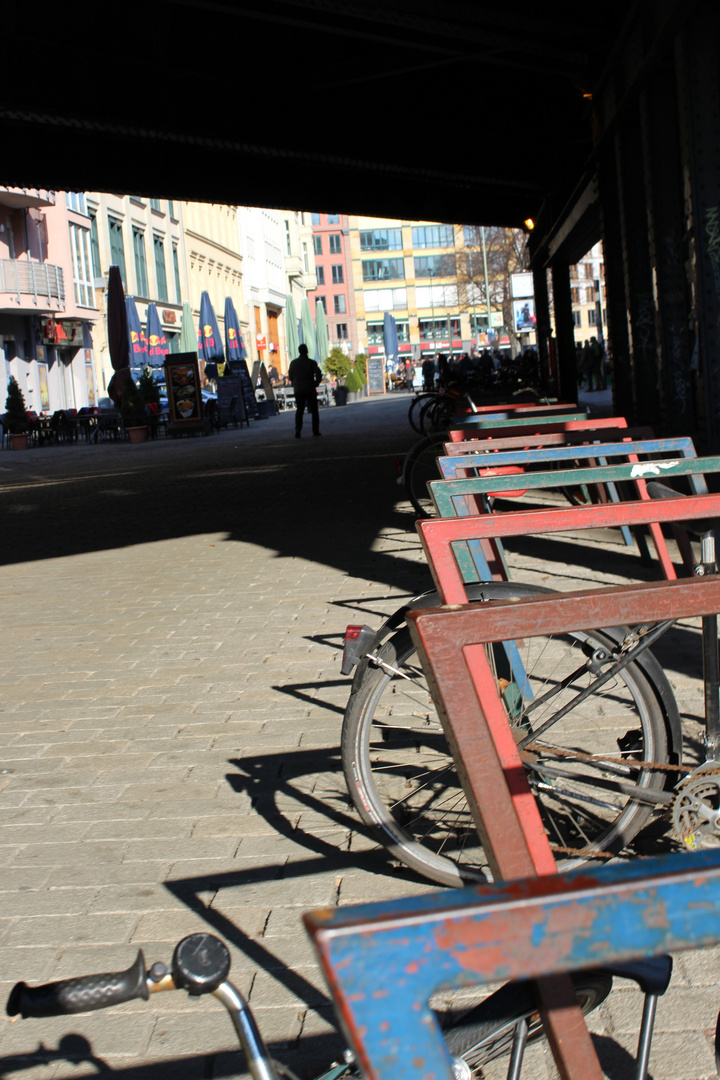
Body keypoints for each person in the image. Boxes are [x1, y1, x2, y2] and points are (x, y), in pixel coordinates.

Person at [288, 343, 322, 437]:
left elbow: (290, 376)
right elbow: (318, 374)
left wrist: (296, 382)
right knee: (314, 411)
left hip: (299, 389)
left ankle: (298, 431)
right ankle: (315, 431)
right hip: (310, 388)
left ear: (299, 351)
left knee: (299, 410)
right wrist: (316, 382)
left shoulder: (293, 363)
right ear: (307, 351)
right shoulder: (312, 363)